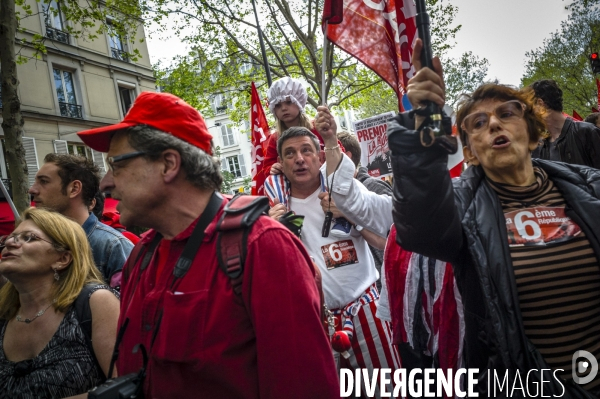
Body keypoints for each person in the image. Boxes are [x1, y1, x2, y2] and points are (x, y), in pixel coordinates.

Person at [76, 91, 339, 398]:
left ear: (168, 164)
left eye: (116, 165)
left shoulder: (262, 246)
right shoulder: (141, 255)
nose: (106, 182)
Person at [386, 38, 600, 397]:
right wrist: (420, 121)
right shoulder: (461, 208)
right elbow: (418, 227)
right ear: (469, 151)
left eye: (507, 114)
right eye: (479, 123)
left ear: (533, 134)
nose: (494, 126)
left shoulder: (590, 188)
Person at [267, 126, 399, 396]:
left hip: (366, 312)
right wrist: (272, 231)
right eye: (290, 154)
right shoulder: (275, 208)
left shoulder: (346, 192)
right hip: (317, 324)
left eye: (306, 150)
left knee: (389, 391)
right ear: (281, 164)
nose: (299, 159)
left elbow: (390, 247)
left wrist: (352, 216)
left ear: (319, 157)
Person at [0, 207, 120, 398]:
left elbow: (124, 388)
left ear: (62, 259)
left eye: (29, 237)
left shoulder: (95, 302)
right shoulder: (4, 313)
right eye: (10, 237)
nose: (10, 243)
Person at [263, 77, 351, 236]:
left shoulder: (317, 127)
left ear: (299, 101)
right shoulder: (274, 139)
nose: (284, 108)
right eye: (278, 105)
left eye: (288, 102)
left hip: (324, 179)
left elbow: (339, 151)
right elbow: (266, 168)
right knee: (273, 180)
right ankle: (287, 220)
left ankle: (339, 217)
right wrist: (273, 168)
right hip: (293, 186)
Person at [29, 154, 134, 288]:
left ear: (74, 189)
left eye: (44, 181)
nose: (32, 190)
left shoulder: (113, 247)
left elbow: (130, 306)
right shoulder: (38, 242)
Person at [336, 131, 391, 290]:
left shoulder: (374, 187)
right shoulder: (332, 194)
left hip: (382, 284)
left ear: (345, 156)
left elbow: (396, 237)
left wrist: (352, 216)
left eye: (328, 158)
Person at [529, 79, 600, 168]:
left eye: (529, 109)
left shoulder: (587, 132)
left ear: (540, 103)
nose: (527, 115)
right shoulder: (538, 147)